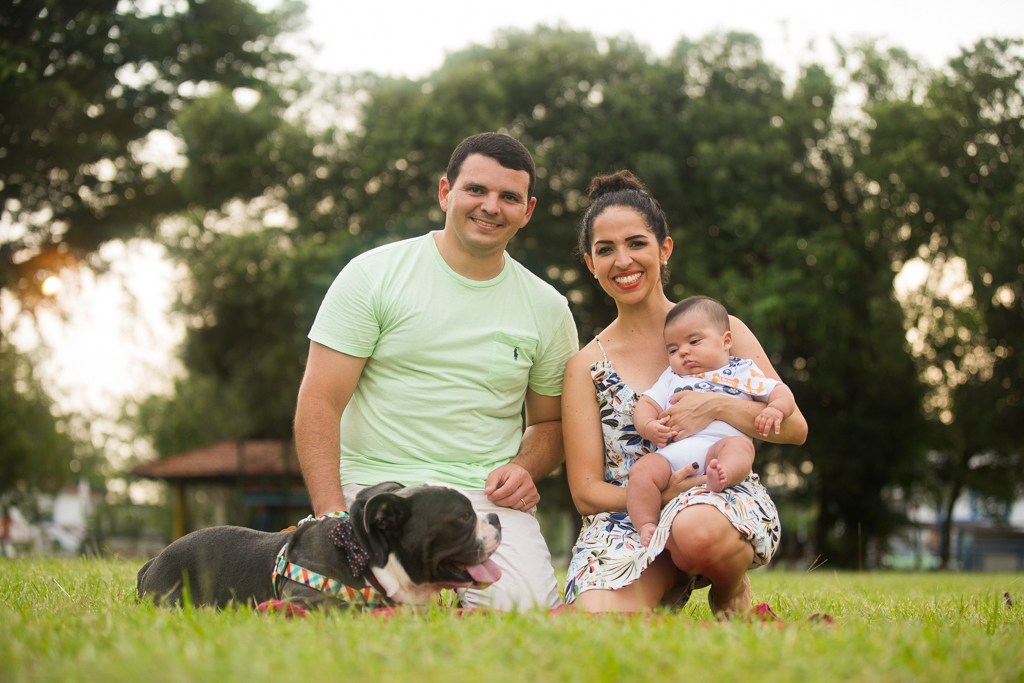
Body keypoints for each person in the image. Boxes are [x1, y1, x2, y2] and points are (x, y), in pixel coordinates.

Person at [294, 133, 579, 611]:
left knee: (521, 614)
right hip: (376, 495)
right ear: (446, 192)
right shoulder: (372, 276)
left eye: (509, 197)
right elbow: (319, 401)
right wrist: (331, 518)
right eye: (476, 190)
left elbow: (551, 423)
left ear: (526, 212)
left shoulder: (548, 308)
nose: (491, 206)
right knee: (346, 615)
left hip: (484, 501)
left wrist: (526, 467)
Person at [561, 170, 808, 615]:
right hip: (630, 518)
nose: (622, 261)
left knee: (696, 532)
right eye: (605, 250)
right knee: (595, 622)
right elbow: (584, 491)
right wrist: (660, 496)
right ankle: (663, 581)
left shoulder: (723, 332)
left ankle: (728, 587)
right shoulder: (585, 366)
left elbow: (794, 430)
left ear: (664, 248)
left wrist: (716, 406)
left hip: (715, 497)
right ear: (589, 264)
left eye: (636, 243)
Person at [628, 295, 797, 546]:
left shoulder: (741, 371)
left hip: (722, 445)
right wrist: (649, 426)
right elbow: (647, 404)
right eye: (673, 350)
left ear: (726, 341)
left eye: (694, 341)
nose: (683, 352)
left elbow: (781, 391)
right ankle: (646, 525)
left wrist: (776, 410)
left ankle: (723, 476)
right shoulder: (672, 377)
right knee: (641, 471)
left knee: (742, 448)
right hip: (675, 453)